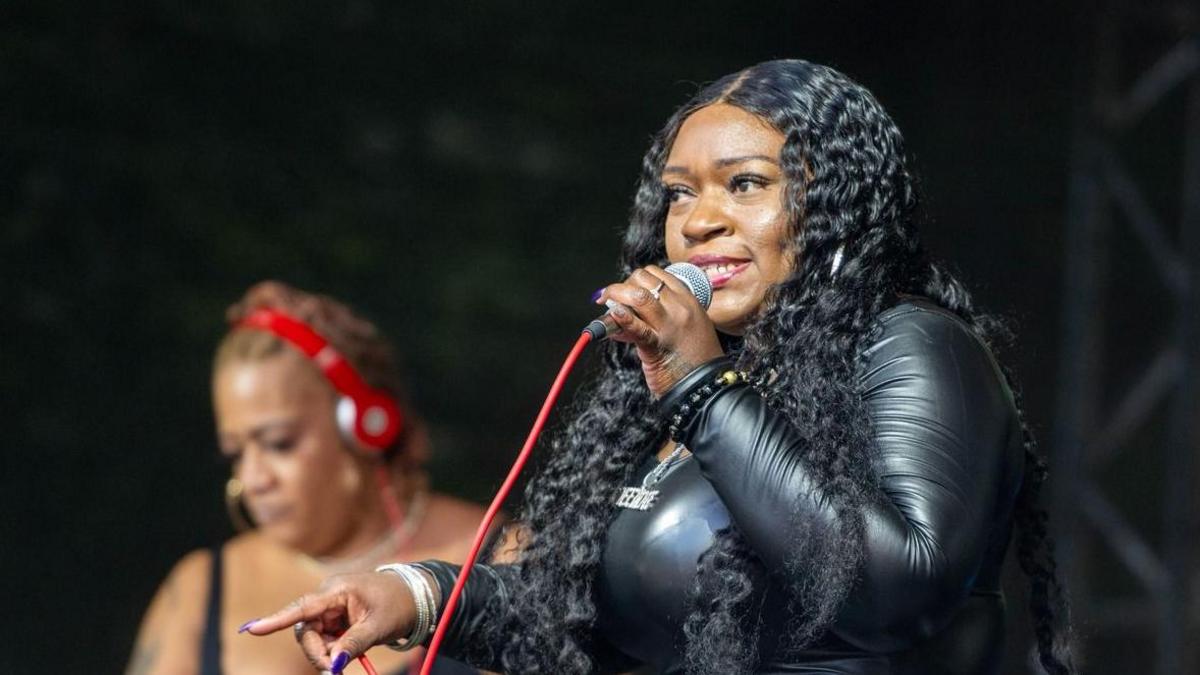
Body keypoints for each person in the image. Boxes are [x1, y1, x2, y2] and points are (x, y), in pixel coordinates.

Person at [242, 60, 1074, 674]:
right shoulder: (684, 382)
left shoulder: (910, 347)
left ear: (834, 207)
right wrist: (418, 595)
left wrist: (702, 386)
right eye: (680, 194)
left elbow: (899, 590)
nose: (699, 220)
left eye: (744, 185)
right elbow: (580, 616)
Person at [127, 281, 492, 675]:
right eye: (235, 453)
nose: (253, 478)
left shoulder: (497, 558)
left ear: (365, 428)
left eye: (278, 443)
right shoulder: (199, 589)